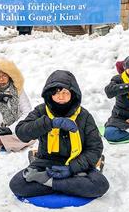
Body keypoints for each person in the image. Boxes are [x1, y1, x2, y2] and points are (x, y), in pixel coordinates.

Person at [9, 70, 109, 198]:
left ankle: (48, 182)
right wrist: (51, 123)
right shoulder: (41, 111)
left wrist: (72, 169)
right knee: (17, 185)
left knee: (100, 185)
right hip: (46, 161)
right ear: (49, 94)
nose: (60, 97)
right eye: (56, 93)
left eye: (65, 93)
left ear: (73, 94)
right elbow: (22, 132)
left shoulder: (84, 116)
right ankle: (72, 184)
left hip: (77, 162)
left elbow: (95, 149)